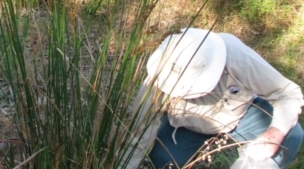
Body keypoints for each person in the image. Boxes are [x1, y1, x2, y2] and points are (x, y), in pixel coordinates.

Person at [119, 28, 304, 169]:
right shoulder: (159, 74)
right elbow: (139, 132)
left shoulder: (235, 54)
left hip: (239, 116)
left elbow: (288, 93)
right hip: (187, 126)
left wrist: (274, 133)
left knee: (292, 135)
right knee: (162, 161)